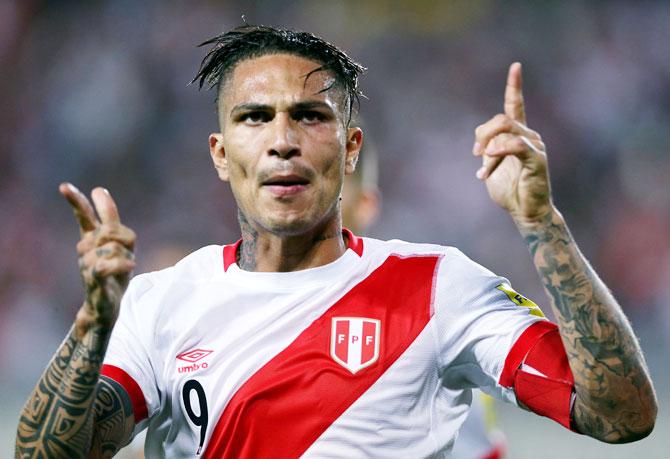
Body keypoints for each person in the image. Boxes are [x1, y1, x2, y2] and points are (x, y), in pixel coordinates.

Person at [16, 25, 656, 458]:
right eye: (255, 117)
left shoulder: (441, 286)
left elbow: (621, 415)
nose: (283, 138)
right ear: (220, 153)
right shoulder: (160, 301)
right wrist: (91, 326)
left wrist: (543, 223)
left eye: (311, 116)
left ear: (351, 149)